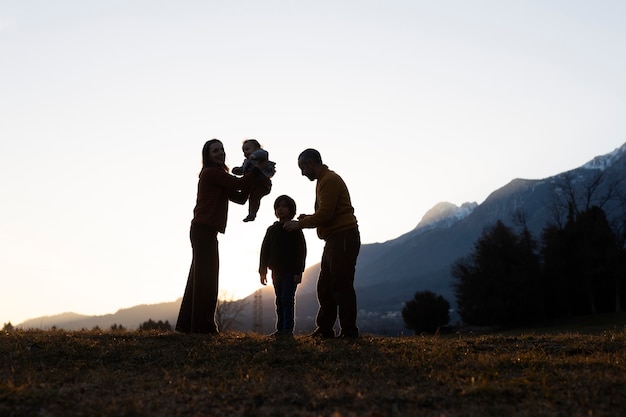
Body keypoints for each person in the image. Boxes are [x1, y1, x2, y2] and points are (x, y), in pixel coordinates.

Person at [175, 139, 258, 334]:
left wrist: (251, 182)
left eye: (222, 150)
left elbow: (239, 197)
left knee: (199, 278)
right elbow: (238, 183)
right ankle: (202, 327)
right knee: (207, 279)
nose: (220, 153)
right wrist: (255, 171)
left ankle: (186, 326)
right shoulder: (212, 173)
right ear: (208, 155)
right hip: (203, 230)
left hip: (204, 231)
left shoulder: (219, 175)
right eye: (215, 151)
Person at [284, 149, 361, 339]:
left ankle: (349, 331)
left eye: (303, 168)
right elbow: (327, 214)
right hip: (334, 239)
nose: (302, 173)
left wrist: (300, 224)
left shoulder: (329, 181)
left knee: (341, 284)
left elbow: (326, 214)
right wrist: (309, 218)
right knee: (325, 285)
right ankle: (325, 329)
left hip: (343, 237)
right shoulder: (324, 181)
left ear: (311, 163)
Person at [259, 195, 307, 337]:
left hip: (290, 271)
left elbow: (301, 251)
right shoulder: (272, 230)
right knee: (279, 300)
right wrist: (262, 271)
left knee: (287, 299)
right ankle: (280, 329)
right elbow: (264, 251)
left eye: (284, 206)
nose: (280, 209)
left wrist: (299, 272)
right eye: (278, 206)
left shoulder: (295, 229)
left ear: (291, 209)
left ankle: (287, 330)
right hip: (276, 271)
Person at [232, 139, 276, 222]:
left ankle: (252, 213)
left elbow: (263, 153)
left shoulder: (260, 156)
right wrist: (238, 170)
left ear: (257, 149)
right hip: (252, 184)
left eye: (247, 149)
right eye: (243, 151)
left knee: (255, 196)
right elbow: (243, 170)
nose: (245, 152)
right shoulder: (246, 161)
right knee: (251, 198)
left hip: (262, 183)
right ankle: (251, 214)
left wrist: (254, 156)